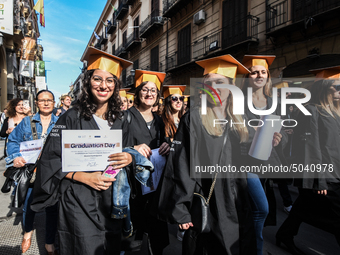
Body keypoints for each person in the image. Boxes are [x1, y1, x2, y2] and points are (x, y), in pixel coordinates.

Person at [31, 47, 134, 255]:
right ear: (88, 82)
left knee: (110, 247)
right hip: (78, 197)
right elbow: (50, 160)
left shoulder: (121, 119)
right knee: (83, 247)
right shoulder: (70, 117)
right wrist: (84, 177)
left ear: (116, 85)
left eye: (110, 80)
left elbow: (130, 150)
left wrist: (129, 157)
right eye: (97, 79)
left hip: (111, 200)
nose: (103, 85)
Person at [159, 54, 260, 254]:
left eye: (220, 82)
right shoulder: (194, 118)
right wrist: (181, 209)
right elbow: (180, 165)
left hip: (240, 199)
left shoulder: (241, 119)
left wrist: (268, 144)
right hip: (212, 201)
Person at [276, 69, 340, 254]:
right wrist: (317, 179)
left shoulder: (336, 112)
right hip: (326, 175)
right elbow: (311, 147)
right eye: (337, 87)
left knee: (302, 207)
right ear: (325, 88)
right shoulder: (312, 111)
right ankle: (284, 235)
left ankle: (284, 234)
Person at [241, 55, 288, 255]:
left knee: (250, 210)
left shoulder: (273, 102)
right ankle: (255, 250)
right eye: (254, 71)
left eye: (262, 71)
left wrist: (279, 138)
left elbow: (282, 129)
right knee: (262, 208)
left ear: (267, 76)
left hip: (264, 160)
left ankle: (246, 247)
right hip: (243, 160)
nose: (258, 75)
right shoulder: (239, 101)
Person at [5, 90, 59, 254]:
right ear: (36, 103)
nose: (46, 103)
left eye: (49, 100)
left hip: (52, 173)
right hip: (31, 171)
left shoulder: (61, 123)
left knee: (52, 207)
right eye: (42, 100)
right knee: (29, 205)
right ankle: (27, 233)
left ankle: (49, 241)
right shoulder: (27, 122)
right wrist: (15, 157)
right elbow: (13, 141)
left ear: (54, 103)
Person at [126, 69, 171, 255]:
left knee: (156, 233)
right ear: (137, 93)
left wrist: (167, 145)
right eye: (145, 89)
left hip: (155, 185)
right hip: (133, 186)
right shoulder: (125, 117)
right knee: (133, 238)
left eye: (153, 90)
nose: (149, 93)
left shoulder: (159, 121)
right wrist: (132, 148)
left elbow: (164, 141)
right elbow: (115, 146)